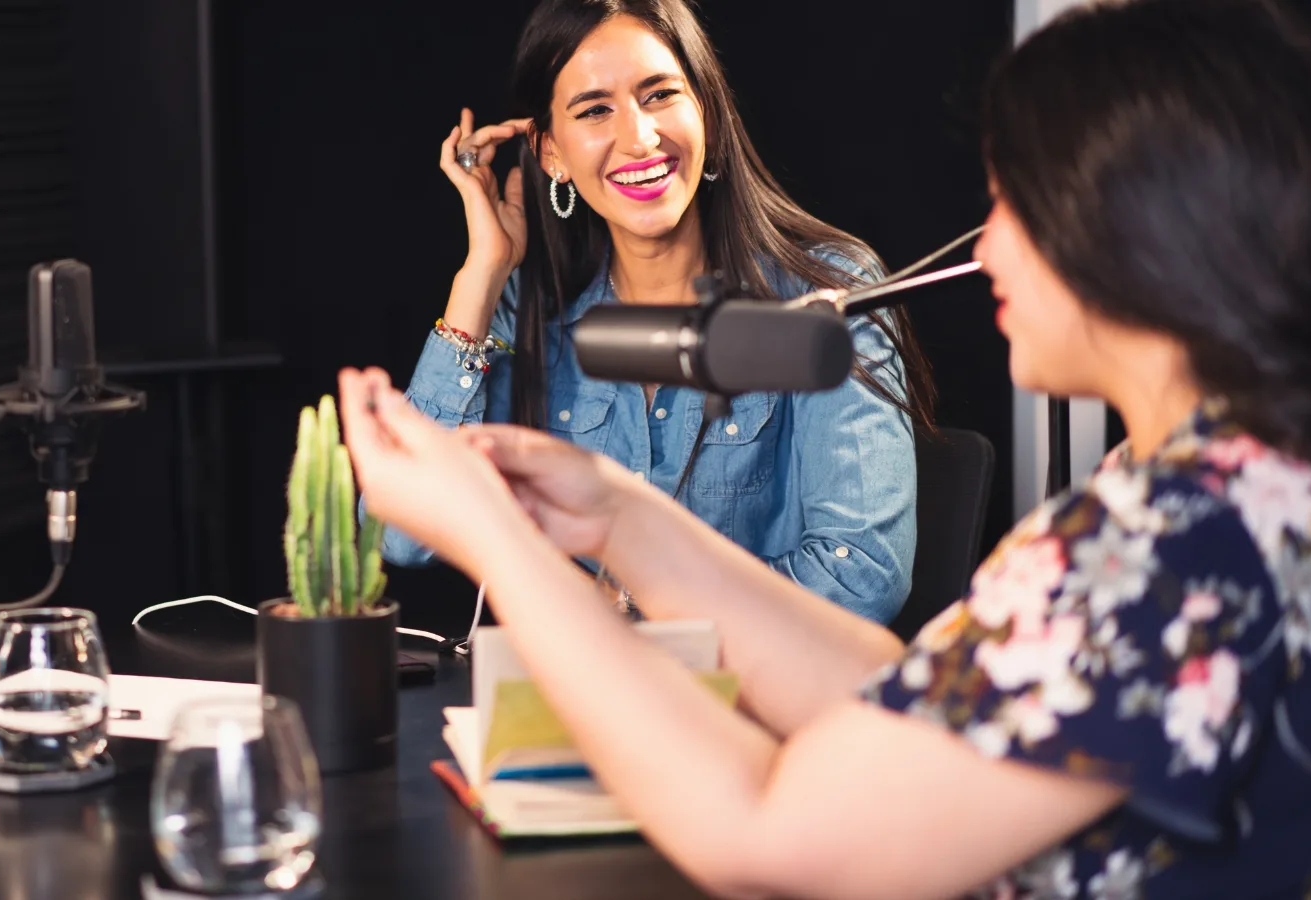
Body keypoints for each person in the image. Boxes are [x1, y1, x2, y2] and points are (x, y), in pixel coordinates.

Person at [337, 0, 1311, 894]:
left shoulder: (1163, 553)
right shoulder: (1248, 492)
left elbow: (767, 836)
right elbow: (885, 679)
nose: (988, 246)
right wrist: (612, 512)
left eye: (1015, 205)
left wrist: (502, 542)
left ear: (1138, 231)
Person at [388, 0, 937, 623]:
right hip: (583, 684)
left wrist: (632, 608)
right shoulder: (531, 310)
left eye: (659, 95)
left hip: (751, 686)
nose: (640, 138)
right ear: (551, 153)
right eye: (595, 110)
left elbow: (862, 574)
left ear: (708, 113)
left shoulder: (828, 292)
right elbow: (404, 534)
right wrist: (483, 272)